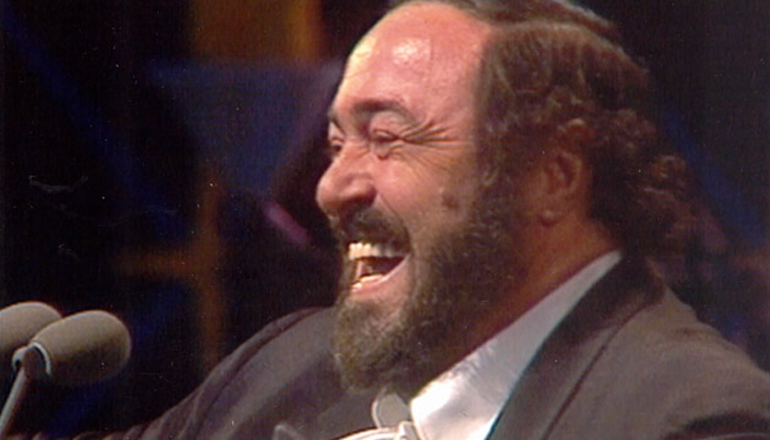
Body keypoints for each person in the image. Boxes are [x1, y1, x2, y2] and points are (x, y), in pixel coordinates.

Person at [21, 0, 770, 439]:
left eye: (387, 139)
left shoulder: (694, 415)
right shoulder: (289, 364)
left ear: (553, 177)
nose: (332, 188)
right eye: (335, 144)